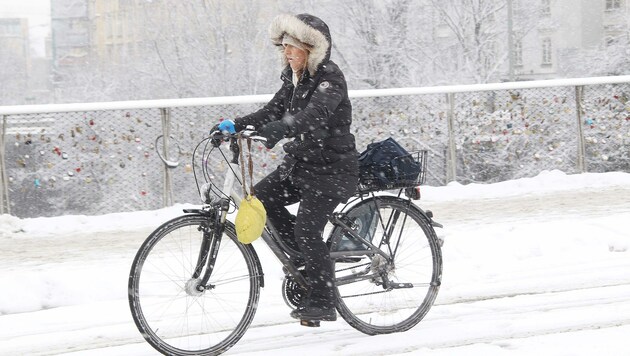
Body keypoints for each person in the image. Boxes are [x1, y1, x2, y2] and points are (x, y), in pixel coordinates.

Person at [213, 13, 358, 322]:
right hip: (302, 165)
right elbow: (271, 112)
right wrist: (234, 125)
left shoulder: (330, 78)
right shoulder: (293, 80)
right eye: (285, 48)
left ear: (312, 48)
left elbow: (316, 114)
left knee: (307, 229)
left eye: (294, 48)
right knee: (260, 199)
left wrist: (285, 127)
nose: (288, 54)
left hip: (332, 169)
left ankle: (323, 298)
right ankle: (306, 259)